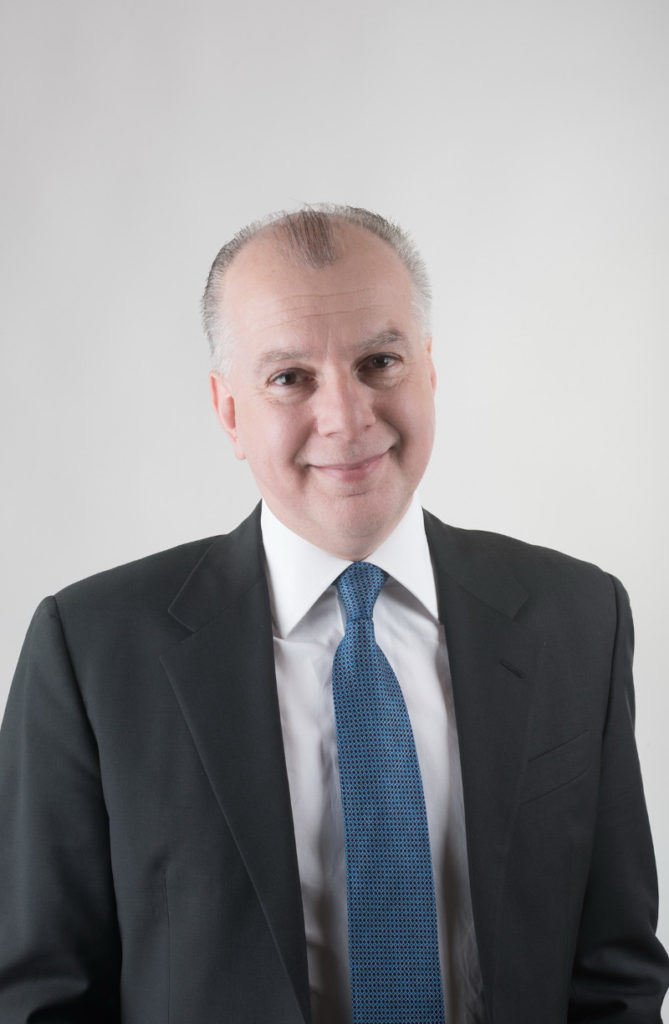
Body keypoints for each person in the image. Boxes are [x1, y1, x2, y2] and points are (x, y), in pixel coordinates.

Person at [0, 204, 667, 1024]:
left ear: (428, 372)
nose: (347, 419)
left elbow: (616, 973)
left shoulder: (577, 617)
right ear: (228, 410)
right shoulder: (92, 651)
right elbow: (40, 996)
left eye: (379, 362)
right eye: (290, 378)